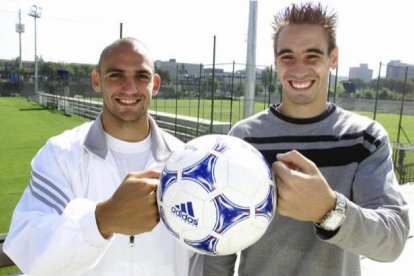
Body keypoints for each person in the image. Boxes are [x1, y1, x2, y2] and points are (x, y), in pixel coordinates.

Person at [203, 2, 410, 275]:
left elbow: (392, 240)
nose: (298, 70)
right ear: (276, 60)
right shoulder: (245, 138)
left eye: (312, 56)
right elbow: (221, 240)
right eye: (287, 56)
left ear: (333, 58)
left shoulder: (364, 139)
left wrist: (327, 209)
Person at [4, 37, 202, 275]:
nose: (129, 88)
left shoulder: (187, 162)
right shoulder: (61, 153)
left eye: (141, 76)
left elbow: (203, 257)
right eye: (116, 75)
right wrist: (101, 220)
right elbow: (28, 247)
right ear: (97, 80)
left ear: (155, 84)